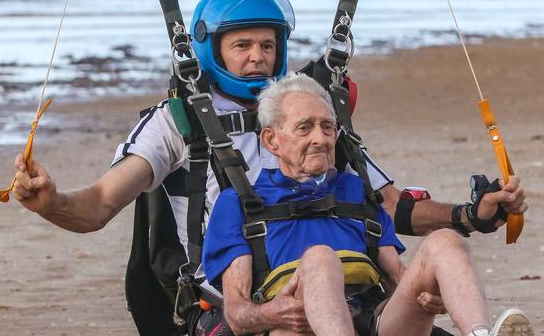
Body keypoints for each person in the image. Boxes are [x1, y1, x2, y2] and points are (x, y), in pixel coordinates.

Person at [11, 0, 528, 334]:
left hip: (348, 289)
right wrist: (50, 201)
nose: (257, 57)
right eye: (242, 45)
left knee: (393, 253)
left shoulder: (312, 115)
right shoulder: (178, 122)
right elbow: (99, 204)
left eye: (266, 45)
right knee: (316, 263)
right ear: (213, 48)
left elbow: (386, 206)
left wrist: (469, 215)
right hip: (239, 290)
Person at [202, 72, 533, 336]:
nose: (319, 138)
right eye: (304, 128)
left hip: (373, 322)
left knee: (444, 242)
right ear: (272, 140)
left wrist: (432, 294)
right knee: (319, 257)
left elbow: (400, 278)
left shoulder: (356, 192)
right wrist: (272, 312)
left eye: (327, 127)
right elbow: (237, 313)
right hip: (293, 325)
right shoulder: (239, 205)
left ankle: (479, 332)